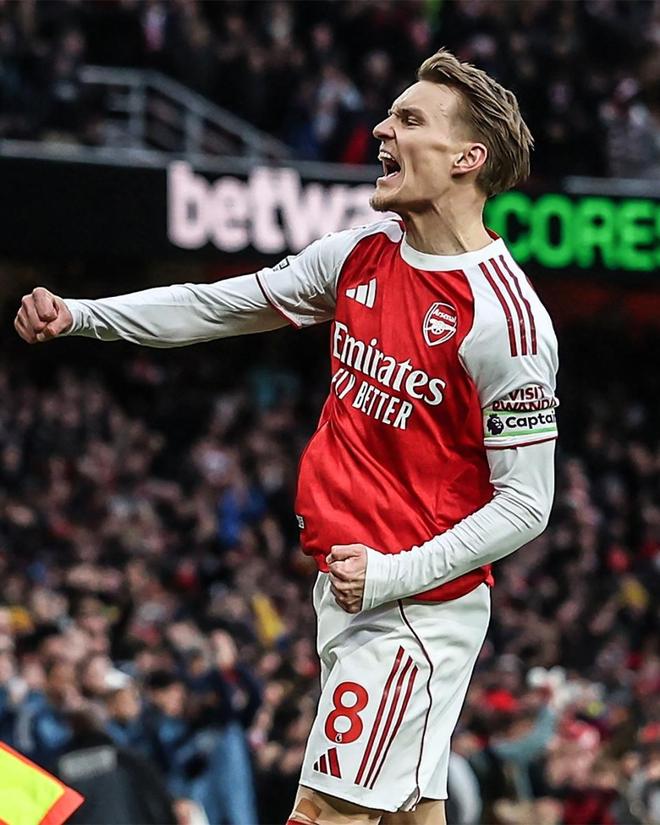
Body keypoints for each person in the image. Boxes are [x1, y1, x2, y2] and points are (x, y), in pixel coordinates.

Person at [15, 48, 558, 825]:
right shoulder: (359, 256)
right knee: (411, 816)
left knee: (322, 814)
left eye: (409, 120)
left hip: (413, 608)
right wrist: (82, 315)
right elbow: (216, 305)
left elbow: (527, 503)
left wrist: (395, 573)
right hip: (353, 588)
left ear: (467, 158)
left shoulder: (506, 320)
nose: (382, 129)